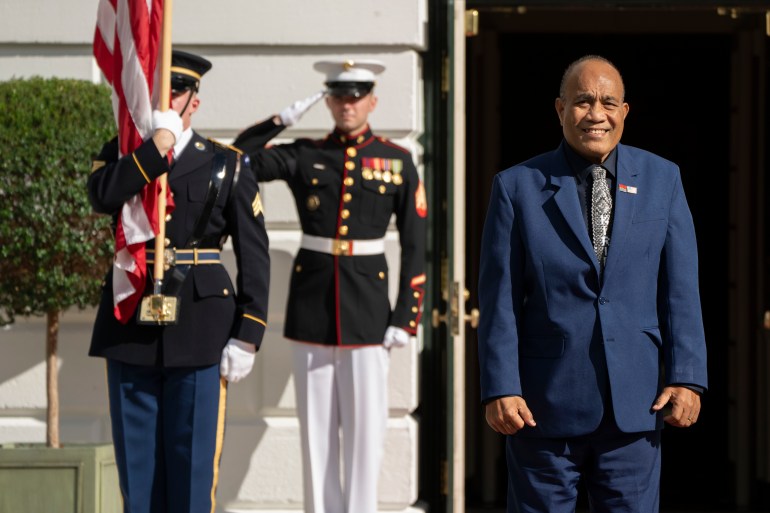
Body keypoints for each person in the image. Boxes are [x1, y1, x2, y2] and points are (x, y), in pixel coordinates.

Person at [477, 55, 708, 513]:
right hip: (540, 409)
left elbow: (680, 288)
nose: (596, 113)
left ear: (625, 112)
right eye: (583, 101)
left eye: (608, 102)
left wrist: (687, 377)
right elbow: (499, 296)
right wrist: (500, 386)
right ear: (560, 109)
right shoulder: (517, 186)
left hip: (636, 409)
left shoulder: (663, 179)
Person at [233, 59, 427, 513]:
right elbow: (239, 160)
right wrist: (280, 121)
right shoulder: (305, 154)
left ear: (372, 102)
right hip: (313, 307)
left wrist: (407, 317)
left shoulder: (397, 161)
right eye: (338, 96)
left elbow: (418, 245)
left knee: (365, 434)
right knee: (316, 433)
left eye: (356, 96)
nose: (347, 104)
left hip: (368, 310)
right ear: (328, 101)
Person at [87, 50, 270, 513]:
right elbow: (103, 196)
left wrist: (248, 334)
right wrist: (155, 147)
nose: (166, 99)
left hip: (202, 331)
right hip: (131, 325)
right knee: (139, 483)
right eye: (158, 91)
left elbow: (254, 253)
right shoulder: (123, 154)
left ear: (195, 103)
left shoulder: (225, 164)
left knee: (191, 479)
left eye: (177, 92)